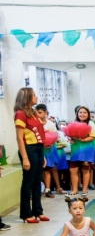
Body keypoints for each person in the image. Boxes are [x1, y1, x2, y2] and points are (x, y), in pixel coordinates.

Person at [14, 87, 48, 223]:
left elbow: (39, 133)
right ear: (27, 97)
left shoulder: (33, 113)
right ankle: (26, 213)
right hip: (29, 149)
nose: (36, 97)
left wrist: (42, 155)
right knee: (28, 181)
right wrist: (25, 157)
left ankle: (38, 211)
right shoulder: (20, 114)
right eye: (34, 95)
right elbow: (19, 137)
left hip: (38, 148)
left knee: (37, 181)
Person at [67, 106, 95, 199]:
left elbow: (93, 136)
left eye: (84, 112)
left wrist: (82, 140)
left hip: (86, 150)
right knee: (73, 170)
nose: (82, 114)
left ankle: (84, 190)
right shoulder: (74, 123)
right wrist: (71, 138)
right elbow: (70, 135)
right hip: (75, 149)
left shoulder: (91, 124)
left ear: (88, 114)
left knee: (85, 170)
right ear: (77, 113)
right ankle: (75, 190)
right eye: (80, 112)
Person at [36, 104, 64, 197]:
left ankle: (58, 187)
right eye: (36, 113)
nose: (38, 114)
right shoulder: (36, 123)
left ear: (46, 113)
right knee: (46, 168)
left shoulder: (51, 124)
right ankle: (47, 189)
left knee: (54, 168)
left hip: (51, 149)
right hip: (42, 149)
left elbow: (55, 136)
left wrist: (50, 143)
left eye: (40, 112)